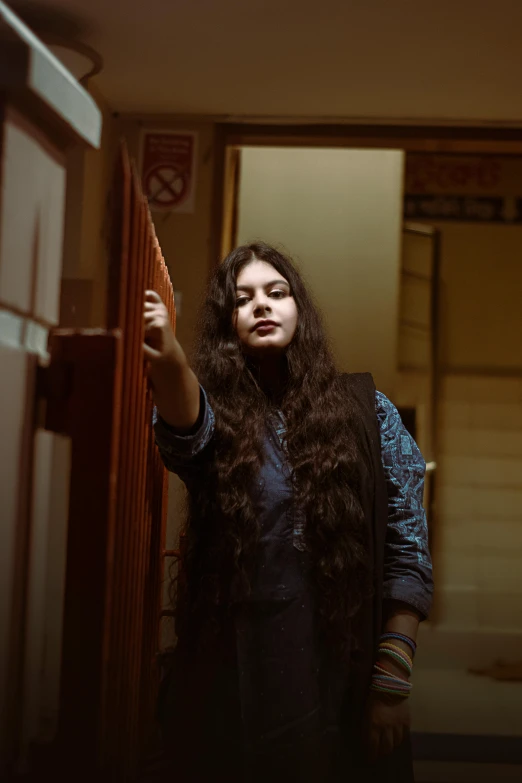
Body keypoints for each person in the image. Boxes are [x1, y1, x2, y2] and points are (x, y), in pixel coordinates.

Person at [142, 242, 433, 783]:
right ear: (228, 322)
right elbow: (187, 430)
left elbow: (408, 546)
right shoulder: (221, 416)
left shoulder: (369, 412)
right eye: (243, 298)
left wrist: (392, 679)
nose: (262, 305)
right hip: (234, 677)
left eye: (277, 293)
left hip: (340, 677)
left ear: (300, 308)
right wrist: (168, 359)